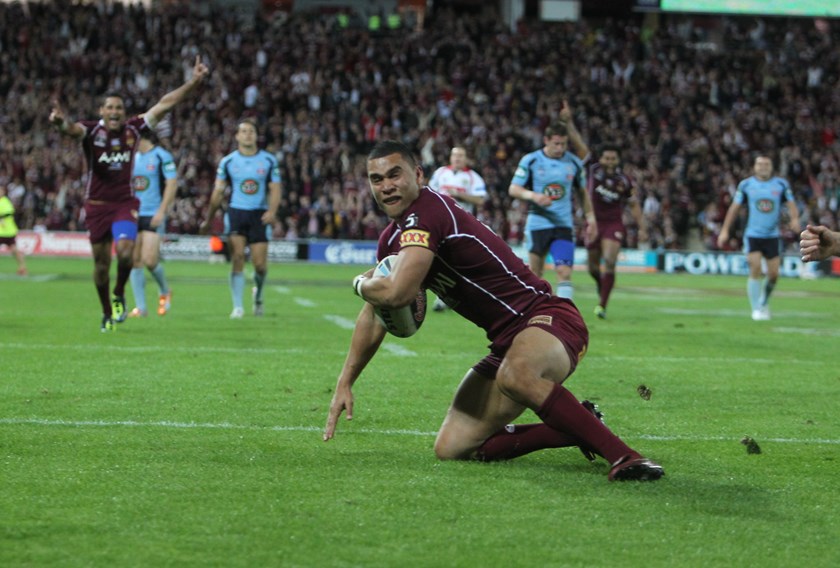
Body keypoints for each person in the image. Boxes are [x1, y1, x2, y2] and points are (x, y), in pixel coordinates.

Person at [324, 140, 664, 482]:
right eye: (377, 179)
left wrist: (358, 283)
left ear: (418, 175)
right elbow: (376, 313)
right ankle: (576, 426)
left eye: (395, 175)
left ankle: (626, 457)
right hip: (506, 343)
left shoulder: (429, 212)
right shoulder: (391, 240)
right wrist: (345, 382)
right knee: (453, 446)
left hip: (548, 318)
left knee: (515, 375)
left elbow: (397, 294)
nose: (386, 186)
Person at [49, 55, 209, 332]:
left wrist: (193, 83)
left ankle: (120, 292)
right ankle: (106, 312)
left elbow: (165, 104)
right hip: (97, 205)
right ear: (102, 110)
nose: (115, 112)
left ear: (124, 112)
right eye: (110, 107)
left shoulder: (134, 129)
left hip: (124, 203)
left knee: (125, 253)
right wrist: (60, 123)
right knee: (101, 266)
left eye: (119, 108)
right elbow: (71, 129)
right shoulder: (91, 131)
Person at [199, 118, 281, 318]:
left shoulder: (268, 161)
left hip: (259, 214)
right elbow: (218, 192)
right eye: (243, 131)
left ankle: (258, 296)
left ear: (256, 135)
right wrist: (209, 219)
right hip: (236, 212)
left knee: (260, 266)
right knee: (237, 258)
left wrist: (272, 211)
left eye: (251, 131)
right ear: (237, 136)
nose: (247, 134)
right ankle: (237, 306)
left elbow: (275, 188)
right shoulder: (228, 162)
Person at [508, 123, 596, 300]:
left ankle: (565, 313)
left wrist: (591, 218)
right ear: (546, 140)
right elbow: (514, 189)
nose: (560, 148)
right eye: (556, 143)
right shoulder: (531, 160)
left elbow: (582, 192)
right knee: (535, 273)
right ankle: (534, 311)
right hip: (538, 223)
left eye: (564, 144)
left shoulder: (573, 162)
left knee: (564, 272)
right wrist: (533, 196)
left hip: (563, 225)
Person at [717, 155, 800, 321]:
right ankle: (756, 309)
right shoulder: (746, 185)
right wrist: (724, 230)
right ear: (754, 167)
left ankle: (764, 301)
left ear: (771, 167)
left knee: (773, 275)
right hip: (752, 234)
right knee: (755, 269)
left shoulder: (781, 184)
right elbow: (734, 208)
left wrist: (795, 219)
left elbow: (791, 204)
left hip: (772, 235)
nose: (763, 167)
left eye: (766, 164)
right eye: (760, 164)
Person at [586, 145, 648, 319]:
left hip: (613, 224)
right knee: (592, 268)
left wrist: (642, 228)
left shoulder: (624, 181)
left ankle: (602, 305)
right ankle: (602, 284)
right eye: (607, 158)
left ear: (618, 160)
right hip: (593, 222)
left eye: (613, 159)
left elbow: (633, 204)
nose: (610, 162)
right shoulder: (592, 171)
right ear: (601, 159)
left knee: (610, 261)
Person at [427, 145, 487, 311]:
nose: (457, 158)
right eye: (455, 155)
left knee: (461, 261)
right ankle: (442, 298)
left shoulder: (473, 177)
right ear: (450, 157)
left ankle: (462, 297)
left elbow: (480, 200)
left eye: (461, 156)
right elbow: (429, 193)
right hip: (440, 223)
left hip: (462, 225)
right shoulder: (440, 173)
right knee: (441, 259)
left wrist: (460, 194)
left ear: (466, 159)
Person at [127, 131, 177, 317]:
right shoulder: (131, 157)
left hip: (153, 213)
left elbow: (172, 184)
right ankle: (141, 308)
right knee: (134, 260)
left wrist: (162, 211)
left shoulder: (161, 156)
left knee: (149, 260)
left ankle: (165, 290)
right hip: (133, 213)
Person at [0, 185, 28, 276]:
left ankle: (22, 267)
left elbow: (8, 213)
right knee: (14, 250)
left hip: (7, 231)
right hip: (1, 231)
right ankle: (22, 267)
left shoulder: (5, 202)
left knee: (14, 250)